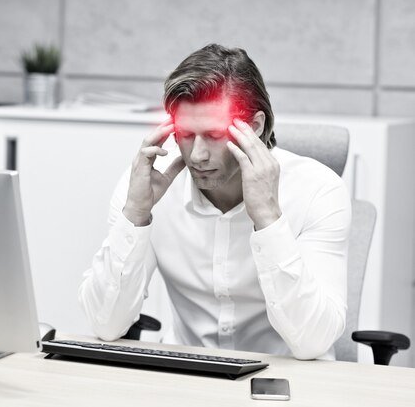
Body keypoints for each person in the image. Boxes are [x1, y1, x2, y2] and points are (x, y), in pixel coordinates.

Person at [78, 43, 351, 360]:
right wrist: (136, 215)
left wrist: (268, 220)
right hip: (187, 379)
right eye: (185, 133)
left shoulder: (318, 189)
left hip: (288, 383)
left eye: (214, 134)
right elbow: (105, 325)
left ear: (255, 126)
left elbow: (313, 343)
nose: (197, 155)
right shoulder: (144, 185)